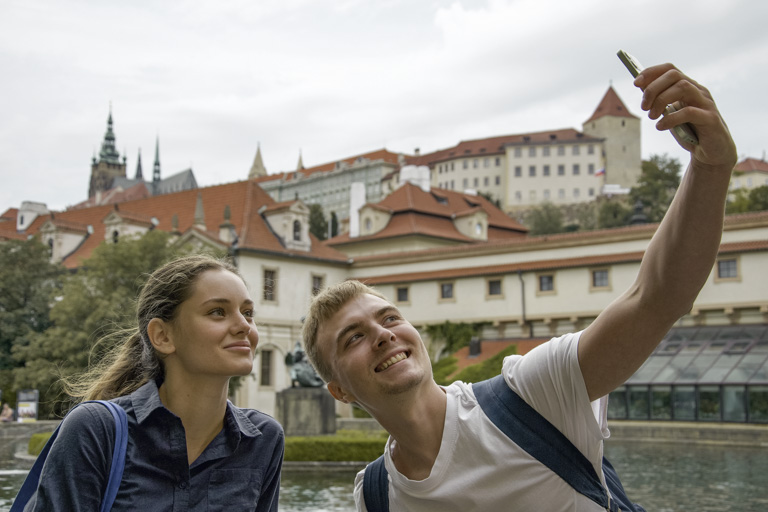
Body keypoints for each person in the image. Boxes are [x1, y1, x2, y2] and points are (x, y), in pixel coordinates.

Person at [302, 62, 737, 511]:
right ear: (340, 391)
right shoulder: (375, 497)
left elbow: (656, 297)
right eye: (354, 337)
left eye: (390, 317)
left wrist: (711, 166)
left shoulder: (530, 392)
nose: (383, 334)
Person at [23, 254, 284, 511]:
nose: (244, 326)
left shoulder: (264, 439)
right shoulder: (95, 429)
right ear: (162, 336)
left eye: (248, 313)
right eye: (218, 312)